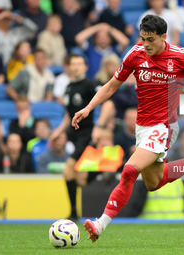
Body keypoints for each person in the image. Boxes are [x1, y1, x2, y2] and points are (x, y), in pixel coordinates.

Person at [71, 14, 184, 242]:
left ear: (163, 37)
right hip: (143, 126)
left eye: (150, 40)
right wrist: (89, 108)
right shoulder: (135, 53)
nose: (146, 44)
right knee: (153, 183)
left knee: (129, 171)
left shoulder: (180, 56)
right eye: (142, 38)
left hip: (164, 126)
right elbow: (111, 85)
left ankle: (100, 224)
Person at [48, 53, 115, 220]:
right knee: (79, 179)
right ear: (68, 67)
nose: (76, 67)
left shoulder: (90, 84)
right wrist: (58, 131)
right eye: (73, 64)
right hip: (74, 135)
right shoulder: (69, 87)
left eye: (79, 64)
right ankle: (103, 168)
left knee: (67, 171)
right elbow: (68, 115)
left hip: (86, 134)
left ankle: (73, 213)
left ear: (85, 67)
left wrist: (98, 126)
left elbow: (108, 103)